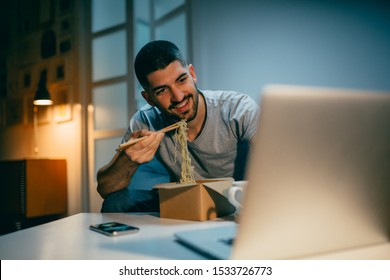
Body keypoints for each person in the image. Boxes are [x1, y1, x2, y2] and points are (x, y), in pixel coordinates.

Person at [96, 40, 259, 212]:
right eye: (162, 90)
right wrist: (128, 160)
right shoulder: (145, 121)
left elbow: (274, 160)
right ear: (149, 98)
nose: (178, 96)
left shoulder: (237, 108)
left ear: (192, 74)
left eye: (181, 80)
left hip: (233, 199)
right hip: (184, 199)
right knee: (117, 202)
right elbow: (105, 188)